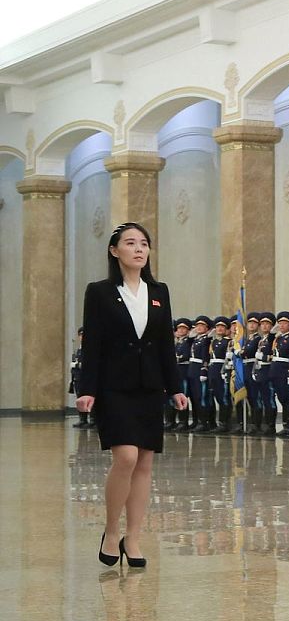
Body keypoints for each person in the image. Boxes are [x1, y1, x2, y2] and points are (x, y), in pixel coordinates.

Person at [74, 222, 190, 568]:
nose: (139, 249)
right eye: (130, 243)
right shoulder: (99, 292)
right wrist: (87, 389)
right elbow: (92, 344)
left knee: (144, 463)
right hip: (113, 386)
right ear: (114, 251)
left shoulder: (159, 291)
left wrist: (175, 388)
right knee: (124, 457)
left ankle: (134, 536)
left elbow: (164, 344)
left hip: (149, 387)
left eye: (144, 244)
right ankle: (112, 531)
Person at [271, 311, 289, 437]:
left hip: (284, 371)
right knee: (281, 399)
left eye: (285, 323)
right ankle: (285, 425)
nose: (282, 325)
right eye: (280, 323)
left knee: (288, 399)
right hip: (275, 371)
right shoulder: (277, 339)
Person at [168, 318, 190, 432]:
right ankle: (170, 420)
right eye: (179, 328)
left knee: (182, 396)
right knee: (170, 398)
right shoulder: (176, 342)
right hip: (175, 371)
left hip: (184, 371)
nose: (181, 330)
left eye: (184, 328)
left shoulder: (188, 341)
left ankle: (183, 421)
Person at [70, 328, 88, 428]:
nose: (82, 337)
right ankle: (82, 419)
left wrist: (77, 365)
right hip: (78, 378)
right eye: (80, 335)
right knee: (79, 398)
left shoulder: (89, 349)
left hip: (85, 377)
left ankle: (93, 420)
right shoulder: (79, 349)